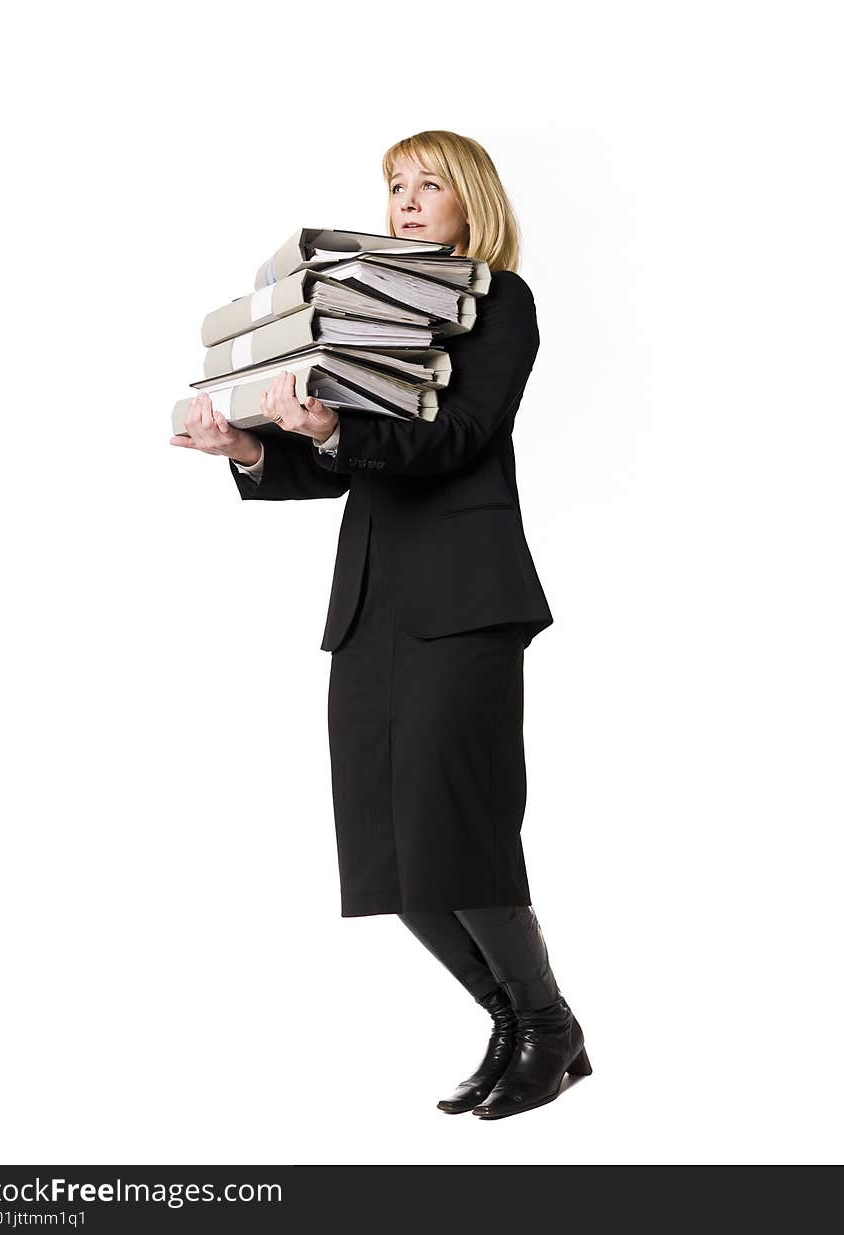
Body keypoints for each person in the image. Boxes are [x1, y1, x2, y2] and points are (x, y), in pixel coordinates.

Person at [171, 130, 591, 1119]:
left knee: (458, 834)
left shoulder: (500, 303)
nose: (405, 199)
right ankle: (518, 1020)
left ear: (471, 200)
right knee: (389, 857)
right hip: (371, 601)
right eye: (393, 184)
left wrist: (338, 428)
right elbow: (344, 460)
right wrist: (250, 446)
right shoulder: (367, 314)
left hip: (465, 599)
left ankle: (546, 1025)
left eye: (427, 183)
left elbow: (453, 435)